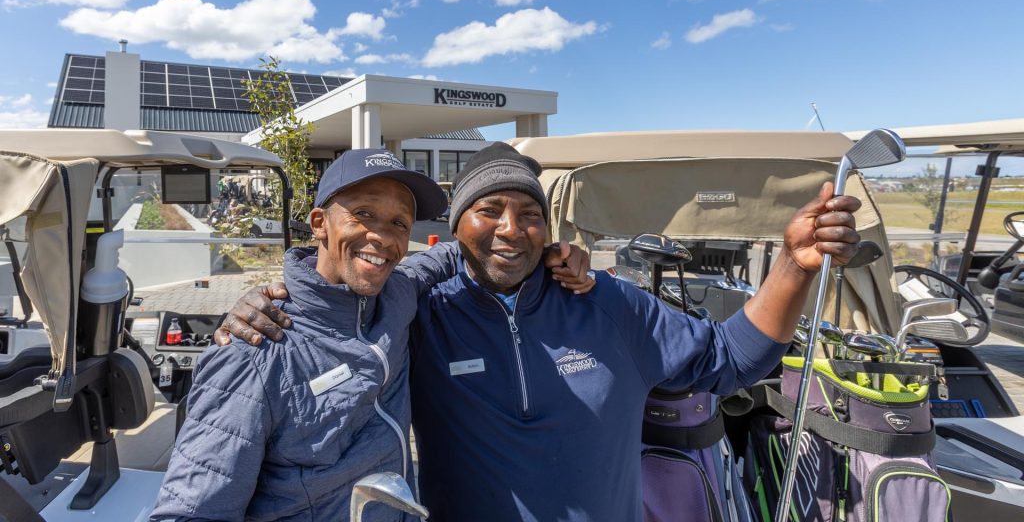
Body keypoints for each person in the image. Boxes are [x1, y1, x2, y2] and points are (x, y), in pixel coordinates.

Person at [220, 143, 862, 521]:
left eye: (529, 214)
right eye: (488, 210)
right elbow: (344, 292)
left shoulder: (608, 302)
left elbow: (733, 360)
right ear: (456, 224)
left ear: (548, 230)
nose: (509, 227)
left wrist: (793, 266)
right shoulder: (421, 304)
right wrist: (260, 303)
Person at [150, 148, 592, 522]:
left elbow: (467, 250)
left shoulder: (398, 292)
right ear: (320, 222)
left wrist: (550, 251)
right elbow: (188, 511)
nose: (382, 237)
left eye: (400, 223)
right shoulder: (256, 348)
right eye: (363, 214)